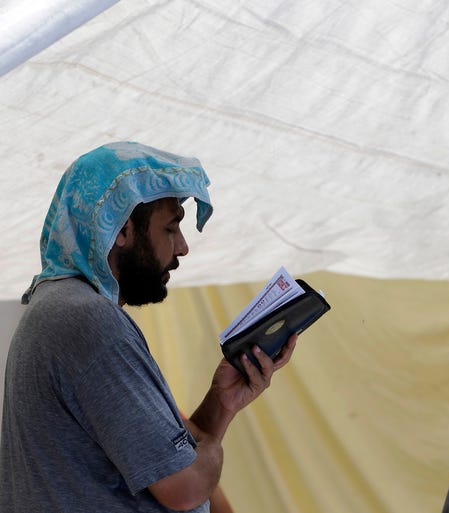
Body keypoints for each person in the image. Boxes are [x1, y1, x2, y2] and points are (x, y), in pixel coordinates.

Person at [0, 142, 297, 512]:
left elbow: (165, 462)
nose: (184, 247)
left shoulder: (60, 309)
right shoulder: (89, 321)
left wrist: (222, 404)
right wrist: (214, 451)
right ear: (122, 229)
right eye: (171, 228)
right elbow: (185, 487)